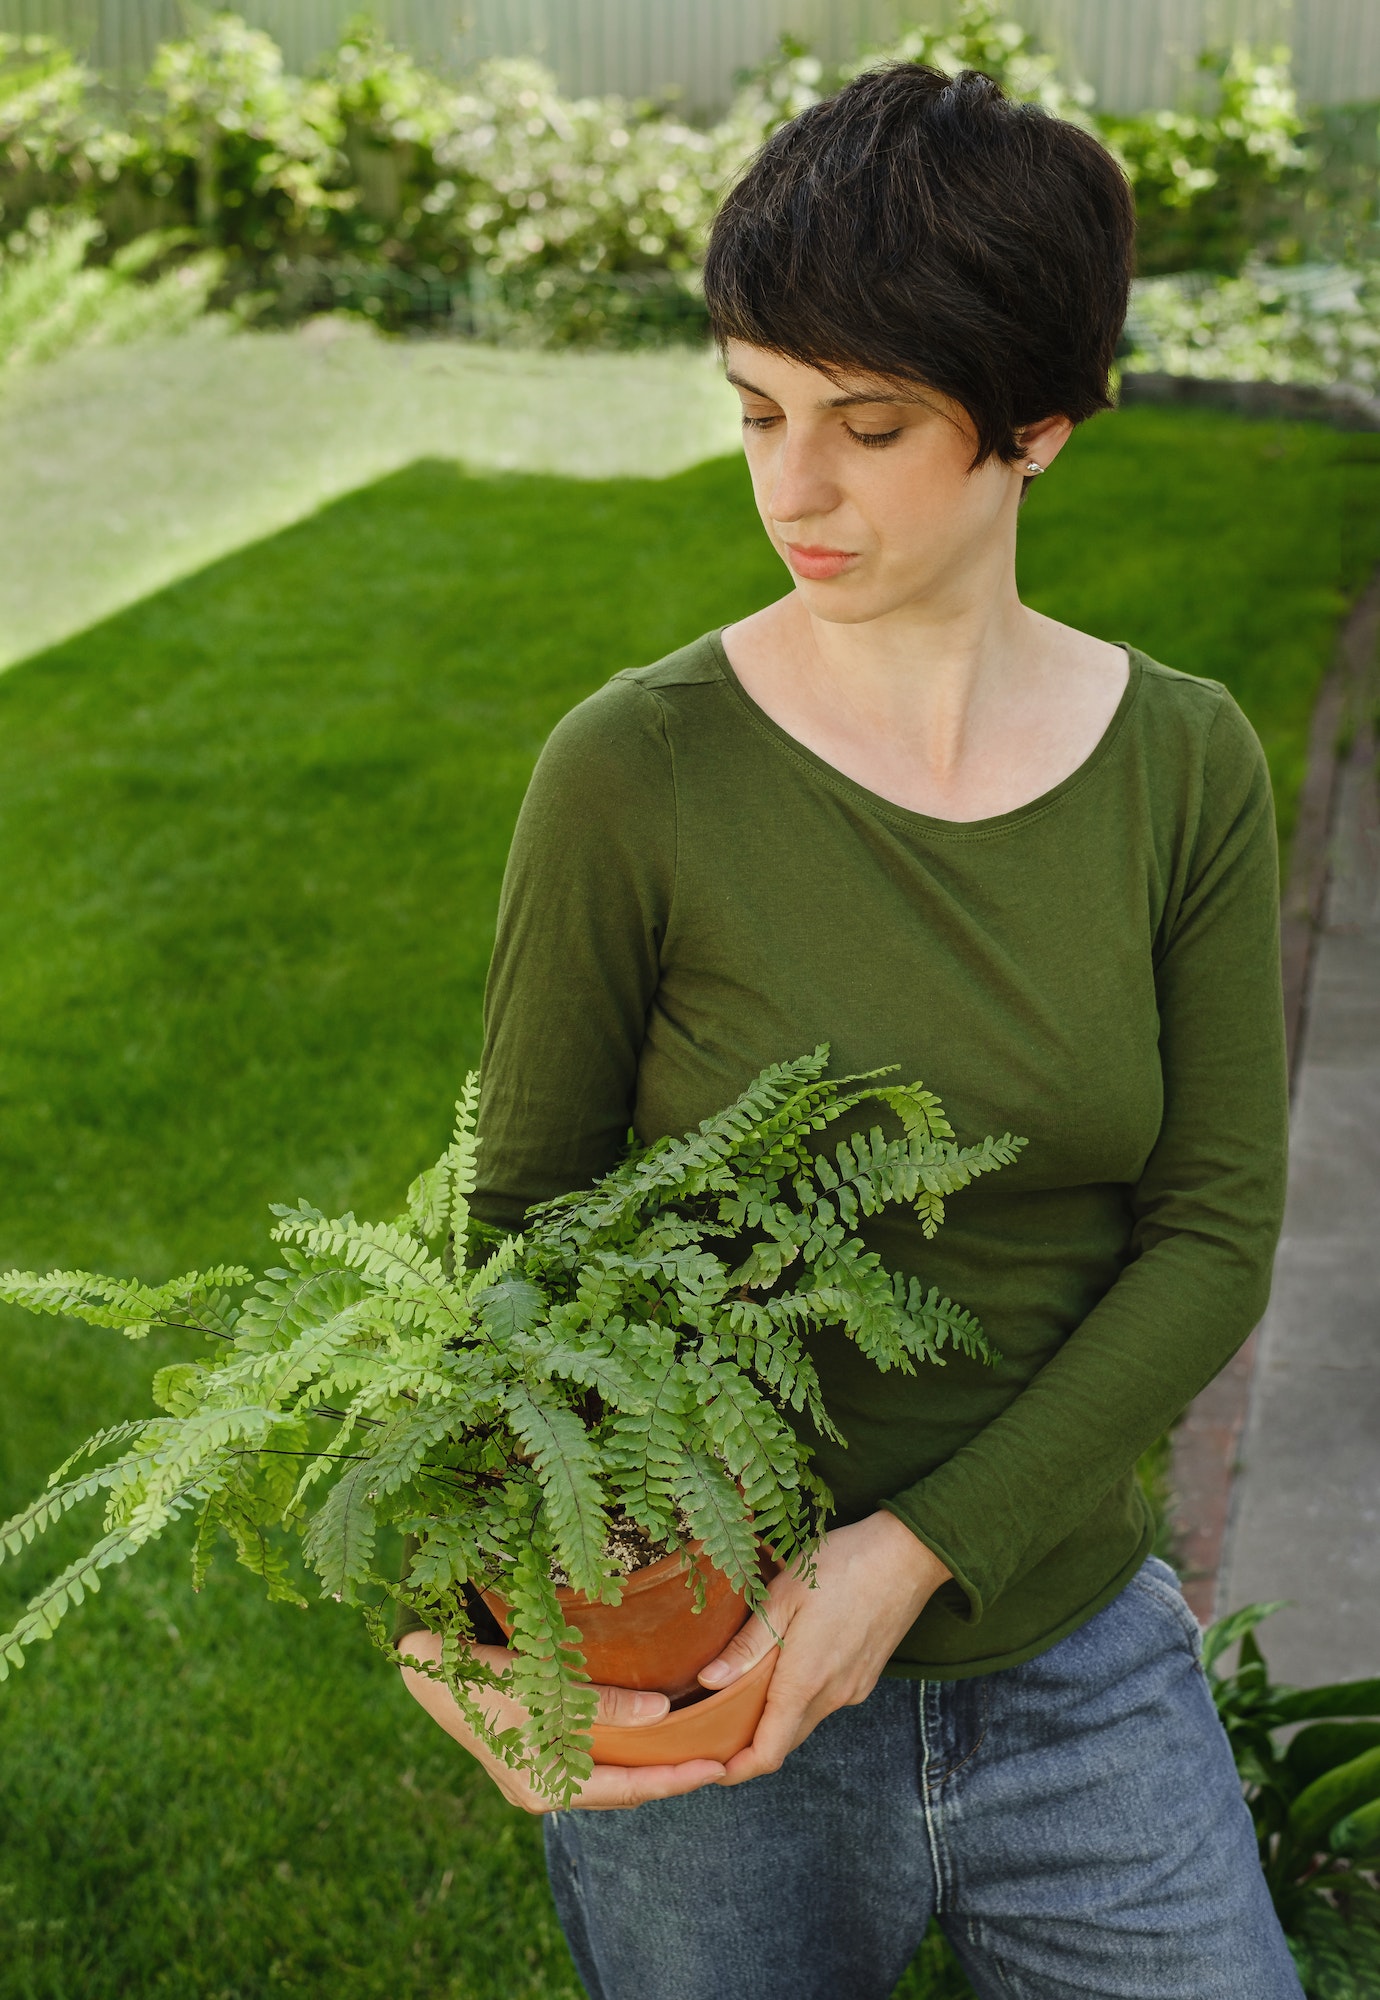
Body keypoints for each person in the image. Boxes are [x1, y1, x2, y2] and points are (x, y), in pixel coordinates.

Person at [397, 61, 1302, 2000]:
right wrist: (489, 1597)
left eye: (866, 425)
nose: (787, 485)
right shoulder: (634, 772)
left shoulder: (1184, 764)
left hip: (1071, 1656)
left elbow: (1215, 1231)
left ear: (1035, 425)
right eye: (757, 411)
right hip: (708, 1664)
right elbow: (526, 1237)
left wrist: (910, 1551)